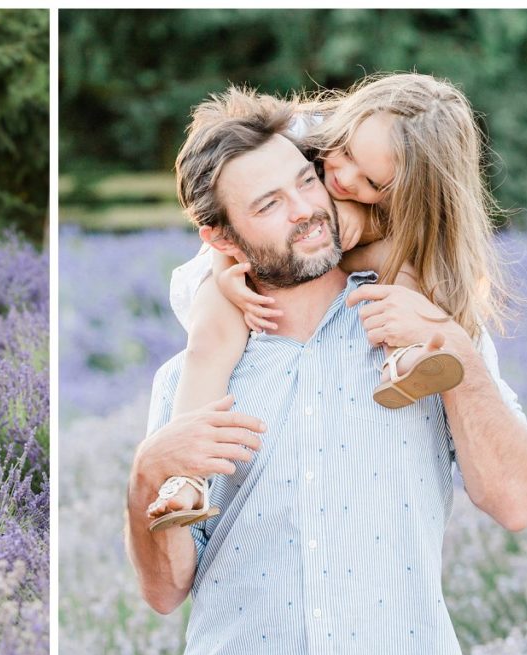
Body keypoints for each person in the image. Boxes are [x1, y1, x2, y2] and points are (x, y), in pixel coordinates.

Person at [124, 88, 527, 655]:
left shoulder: (428, 325)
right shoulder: (188, 375)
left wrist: (456, 349)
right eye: (269, 204)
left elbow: (519, 501)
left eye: (304, 181)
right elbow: (165, 590)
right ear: (221, 239)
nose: (310, 206)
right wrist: (147, 472)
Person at [152, 74, 505, 530]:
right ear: (347, 124)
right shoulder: (305, 134)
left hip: (356, 262)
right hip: (247, 261)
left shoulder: (410, 206)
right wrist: (224, 274)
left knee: (409, 271)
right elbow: (233, 212)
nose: (342, 177)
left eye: (371, 182)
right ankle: (186, 477)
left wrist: (369, 222)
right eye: (348, 156)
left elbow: (425, 264)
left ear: (403, 193)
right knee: (210, 338)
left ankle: (406, 356)